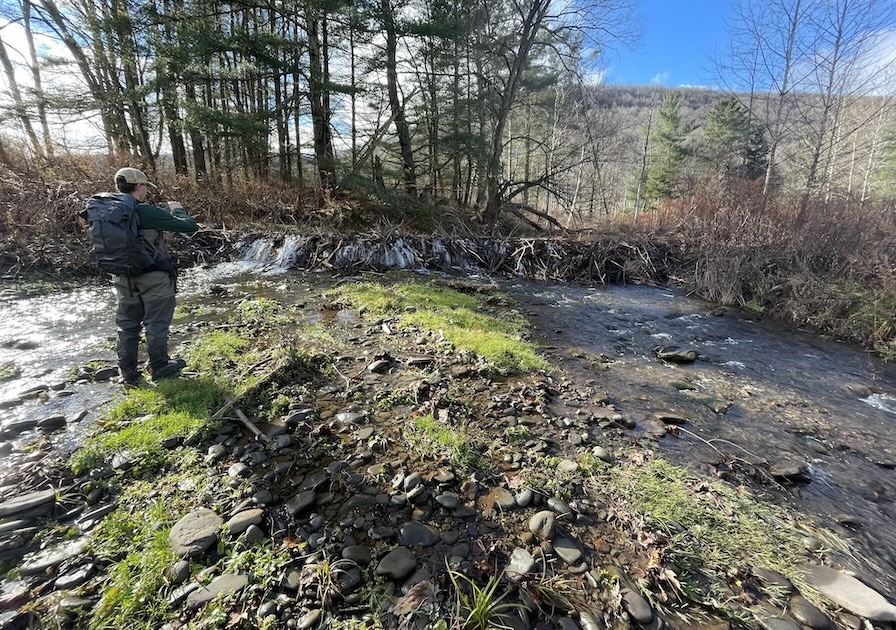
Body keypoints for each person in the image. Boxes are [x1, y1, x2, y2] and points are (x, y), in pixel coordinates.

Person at [109, 167, 199, 385]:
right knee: (156, 324)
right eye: (146, 186)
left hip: (121, 277)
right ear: (139, 186)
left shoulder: (106, 211)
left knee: (127, 325)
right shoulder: (146, 211)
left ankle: (128, 373)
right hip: (152, 277)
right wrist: (178, 210)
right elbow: (189, 227)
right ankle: (159, 366)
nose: (147, 190)